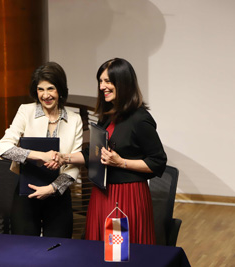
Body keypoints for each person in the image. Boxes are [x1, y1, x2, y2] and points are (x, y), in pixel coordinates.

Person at [53, 58, 167, 244]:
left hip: (126, 197)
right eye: (100, 81)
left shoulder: (140, 120)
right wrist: (64, 158)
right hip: (103, 194)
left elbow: (158, 162)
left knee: (119, 253)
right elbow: (94, 153)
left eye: (108, 81)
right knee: (102, 251)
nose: (102, 86)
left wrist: (120, 162)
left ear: (123, 83)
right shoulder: (109, 115)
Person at [0, 62, 83, 238]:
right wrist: (39, 156)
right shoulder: (25, 111)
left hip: (59, 194)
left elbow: (75, 164)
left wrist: (52, 188)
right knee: (25, 252)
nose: (45, 95)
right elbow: (3, 148)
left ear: (60, 89)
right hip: (26, 193)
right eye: (40, 89)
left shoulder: (75, 120)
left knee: (59, 251)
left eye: (50, 89)